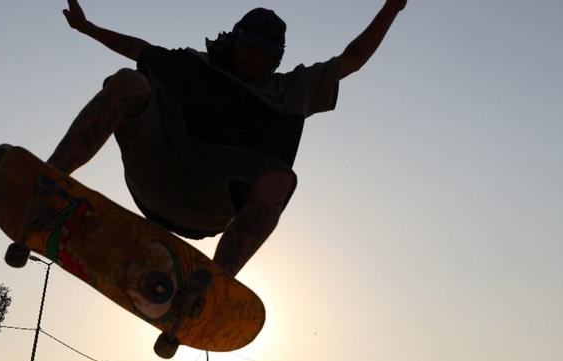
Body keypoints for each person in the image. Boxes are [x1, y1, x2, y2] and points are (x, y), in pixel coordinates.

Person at [48, 0, 407, 277]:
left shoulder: (291, 91)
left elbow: (352, 59)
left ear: (277, 57)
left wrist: (392, 7)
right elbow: (139, 49)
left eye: (266, 55)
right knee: (129, 82)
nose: (256, 60)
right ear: (235, 42)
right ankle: (49, 178)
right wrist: (87, 28)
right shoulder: (194, 65)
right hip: (156, 172)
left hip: (208, 205)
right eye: (250, 48)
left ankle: (213, 283)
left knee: (281, 181)